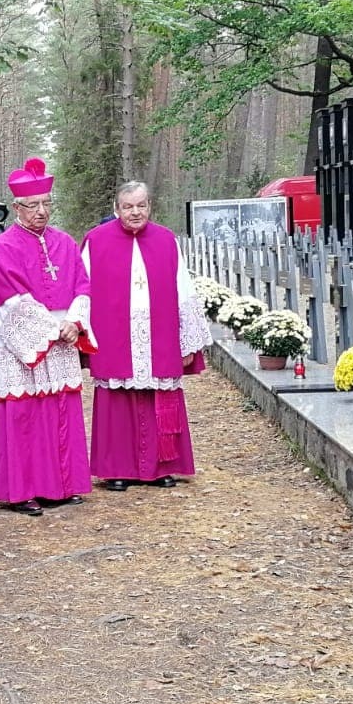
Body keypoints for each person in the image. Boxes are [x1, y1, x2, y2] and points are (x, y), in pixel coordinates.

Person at [0, 157, 94, 516]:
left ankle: (61, 485)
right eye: (33, 205)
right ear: (17, 207)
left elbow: (83, 286)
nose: (41, 211)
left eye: (46, 203)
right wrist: (51, 330)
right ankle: (21, 491)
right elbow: (7, 300)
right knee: (24, 414)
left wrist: (75, 321)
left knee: (60, 410)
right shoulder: (2, 247)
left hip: (63, 338)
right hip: (23, 345)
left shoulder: (66, 242)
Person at [82, 181, 212, 490]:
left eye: (141, 205)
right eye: (128, 206)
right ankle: (116, 469)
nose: (135, 212)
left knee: (159, 399)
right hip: (114, 336)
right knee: (117, 404)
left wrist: (187, 341)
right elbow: (82, 290)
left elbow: (183, 291)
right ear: (117, 209)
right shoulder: (96, 240)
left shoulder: (166, 240)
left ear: (149, 206)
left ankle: (160, 467)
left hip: (159, 335)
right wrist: (82, 334)